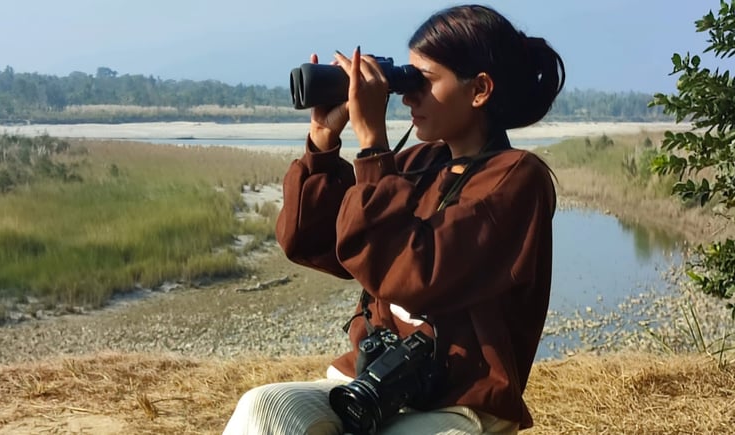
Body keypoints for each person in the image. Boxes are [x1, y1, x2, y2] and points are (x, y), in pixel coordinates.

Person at [223, 4, 565, 434]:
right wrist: (323, 143)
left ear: (479, 89)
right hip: (372, 382)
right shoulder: (416, 163)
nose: (407, 95)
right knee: (263, 409)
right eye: (406, 78)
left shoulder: (516, 179)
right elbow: (317, 244)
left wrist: (372, 147)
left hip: (459, 400)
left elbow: (413, 275)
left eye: (424, 81)